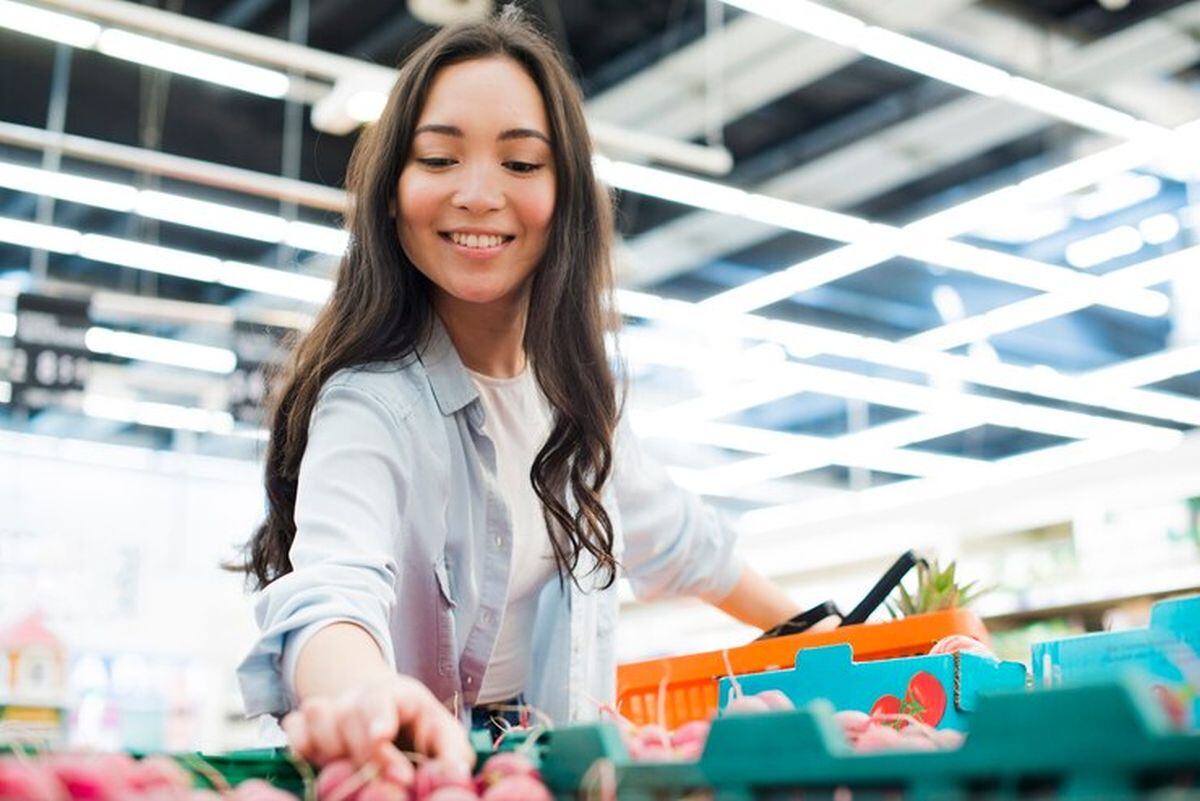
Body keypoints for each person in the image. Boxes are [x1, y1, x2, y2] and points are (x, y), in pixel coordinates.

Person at [234, 5, 817, 782]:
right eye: (439, 159)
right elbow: (333, 590)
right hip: (403, 776)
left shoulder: (578, 408)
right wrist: (370, 697)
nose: (478, 194)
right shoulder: (371, 404)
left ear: (565, 192)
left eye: (520, 163)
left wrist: (819, 628)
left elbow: (683, 543)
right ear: (392, 192)